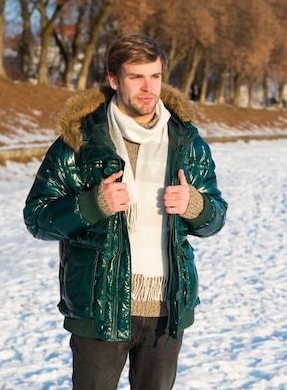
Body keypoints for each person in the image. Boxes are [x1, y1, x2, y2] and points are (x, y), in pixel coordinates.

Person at [23, 34, 227, 390]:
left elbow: (216, 217)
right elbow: (37, 217)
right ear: (114, 80)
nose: (149, 88)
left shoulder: (187, 142)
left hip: (166, 309)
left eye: (156, 76)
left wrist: (195, 205)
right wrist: (91, 205)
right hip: (100, 306)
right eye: (136, 77)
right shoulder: (79, 142)